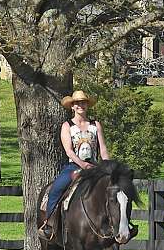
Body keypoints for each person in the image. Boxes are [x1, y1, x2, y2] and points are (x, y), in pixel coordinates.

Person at [38, 90, 110, 240]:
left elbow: (102, 148)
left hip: (95, 166)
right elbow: (69, 151)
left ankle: (117, 225)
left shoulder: (95, 125)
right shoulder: (67, 126)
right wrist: (83, 165)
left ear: (87, 105)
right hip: (74, 166)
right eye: (77, 103)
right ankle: (49, 224)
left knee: (115, 189)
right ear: (72, 106)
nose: (80, 105)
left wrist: (108, 166)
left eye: (83, 102)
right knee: (56, 189)